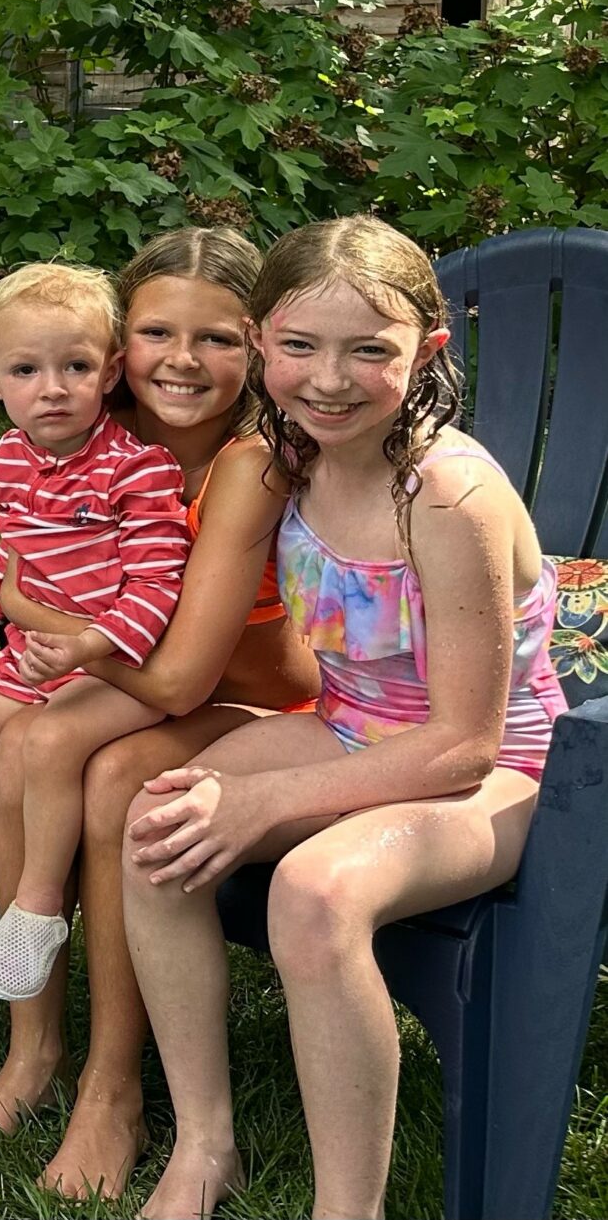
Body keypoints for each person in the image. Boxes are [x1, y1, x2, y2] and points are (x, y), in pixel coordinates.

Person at [124, 216, 565, 1220]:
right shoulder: (290, 457)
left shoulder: (446, 495)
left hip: (501, 774)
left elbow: (465, 745)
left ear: (427, 351)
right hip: (352, 726)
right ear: (259, 339)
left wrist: (267, 798)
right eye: (299, 345)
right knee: (158, 826)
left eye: (369, 350)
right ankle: (204, 1144)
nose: (329, 379)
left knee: (317, 891)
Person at [0, 226, 318, 1202]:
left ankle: (114, 1088)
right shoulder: (93, 432)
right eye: (156, 333)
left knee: (107, 774)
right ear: (119, 349)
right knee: (24, 744)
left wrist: (28, 616)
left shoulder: (250, 460)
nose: (182, 360)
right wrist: (11, 611)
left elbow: (185, 679)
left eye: (217, 338)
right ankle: (33, 1049)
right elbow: (29, 550)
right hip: (134, 682)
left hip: (254, 701)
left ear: (256, 346)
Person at [0, 264, 190, 1003]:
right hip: (35, 652)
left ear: (109, 372)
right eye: (27, 370)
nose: (52, 389)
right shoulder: (11, 455)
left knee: (47, 751)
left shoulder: (138, 470)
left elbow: (158, 586)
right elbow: (18, 547)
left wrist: (91, 646)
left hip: (114, 662)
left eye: (75, 367)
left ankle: (37, 909)